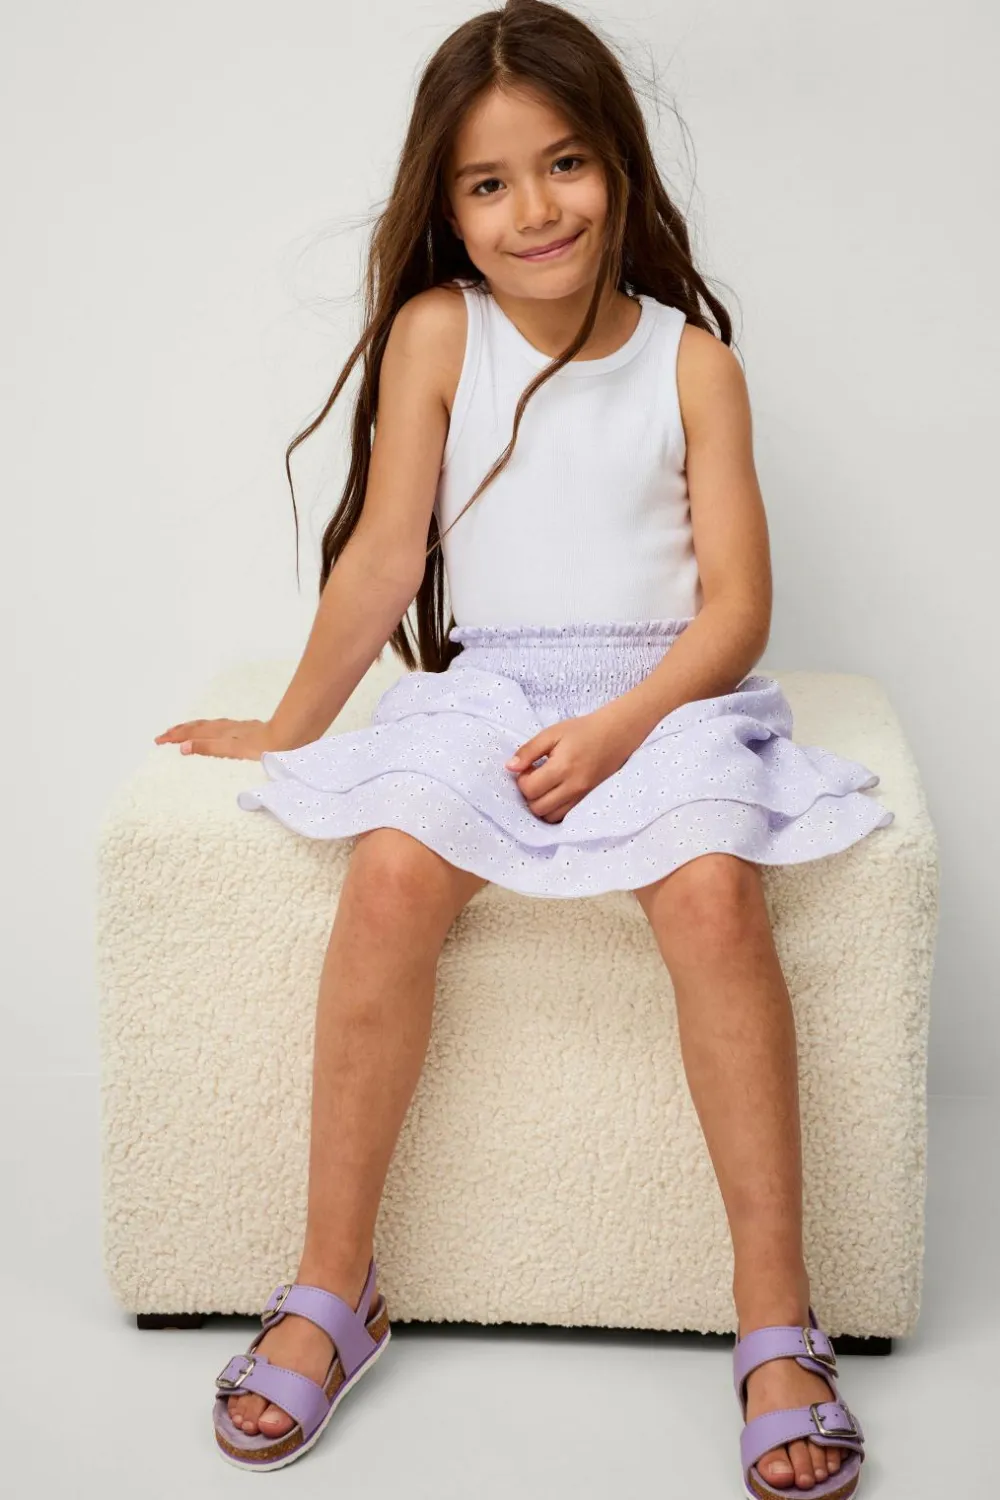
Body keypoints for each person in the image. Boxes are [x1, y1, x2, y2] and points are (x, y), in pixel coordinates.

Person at [155, 2, 885, 1491]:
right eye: (489, 184)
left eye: (564, 164)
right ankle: (332, 1284)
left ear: (617, 163)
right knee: (390, 871)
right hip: (492, 686)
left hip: (663, 693)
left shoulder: (692, 364)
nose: (535, 209)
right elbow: (383, 560)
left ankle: (774, 1313)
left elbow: (738, 611)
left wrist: (622, 730)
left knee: (713, 893)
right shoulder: (441, 334)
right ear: (448, 206)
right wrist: (288, 730)